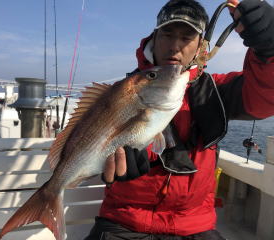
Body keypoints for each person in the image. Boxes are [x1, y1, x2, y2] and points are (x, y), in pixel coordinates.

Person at [84, 0, 274, 239]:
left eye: (186, 37)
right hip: (124, 220)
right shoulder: (122, 94)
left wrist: (269, 48)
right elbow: (93, 145)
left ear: (200, 47)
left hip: (194, 225)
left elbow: (265, 96)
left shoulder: (217, 90)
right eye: (167, 33)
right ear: (154, 37)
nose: (174, 46)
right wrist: (108, 167)